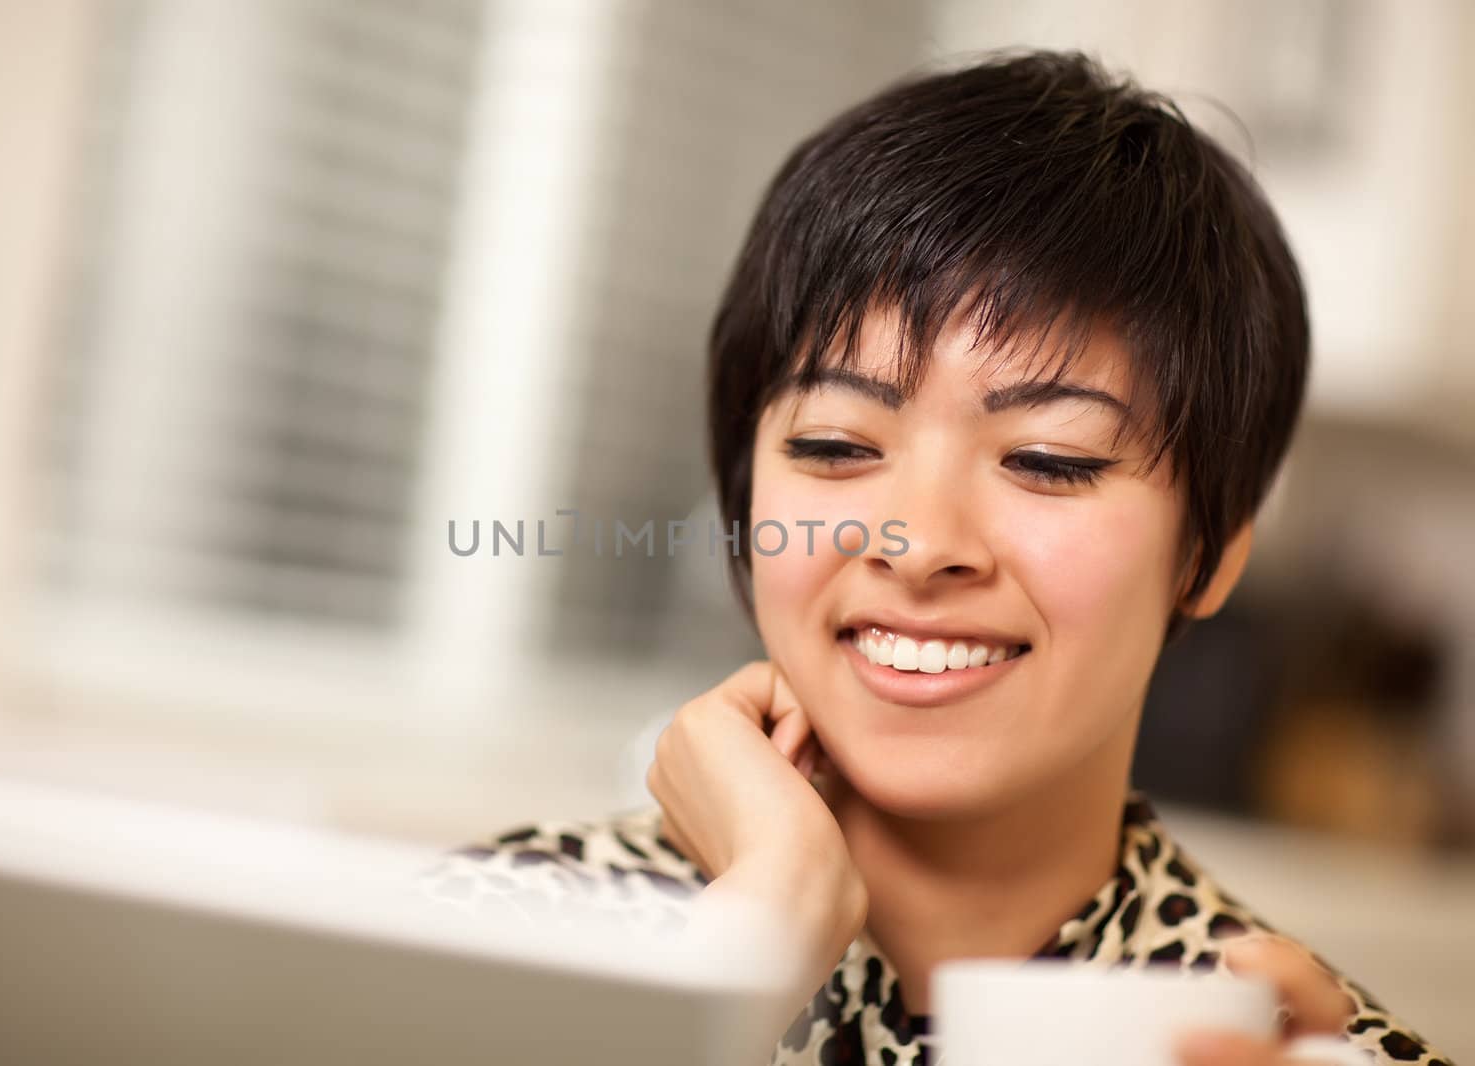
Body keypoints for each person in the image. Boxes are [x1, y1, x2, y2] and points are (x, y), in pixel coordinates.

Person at [417, 50, 1453, 1066]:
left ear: (1209, 557)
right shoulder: (473, 950)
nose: (916, 547)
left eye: (1048, 460)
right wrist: (758, 933)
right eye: (835, 446)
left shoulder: (1297, 1048)